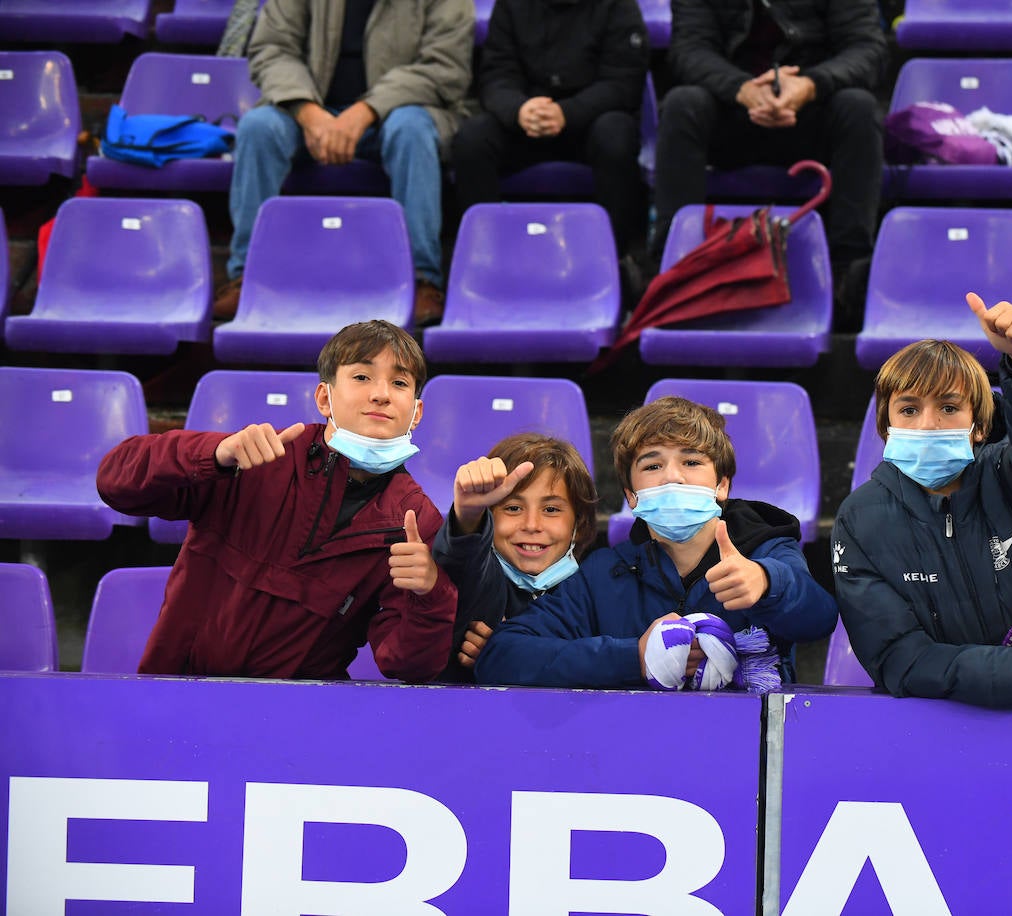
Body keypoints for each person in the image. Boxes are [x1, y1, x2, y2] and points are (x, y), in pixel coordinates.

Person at [96, 320, 458, 682]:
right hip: (179, 690)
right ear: (323, 398)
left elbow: (406, 665)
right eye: (362, 377)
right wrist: (212, 454)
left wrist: (430, 593)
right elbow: (116, 482)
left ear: (416, 412)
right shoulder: (253, 457)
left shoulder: (418, 524)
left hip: (301, 714)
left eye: (399, 382)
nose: (381, 394)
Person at [831, 293, 1012, 709]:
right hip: (939, 729)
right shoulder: (859, 519)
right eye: (908, 409)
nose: (927, 424)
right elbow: (898, 657)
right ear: (886, 426)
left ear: (979, 425)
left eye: (948, 406)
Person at [475, 395, 837, 688]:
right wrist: (635, 656)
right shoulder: (603, 574)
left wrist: (767, 582)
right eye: (652, 466)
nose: (673, 477)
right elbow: (503, 656)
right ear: (631, 496)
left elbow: (819, 619)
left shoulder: (766, 549)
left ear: (721, 485)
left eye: (692, 462)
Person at [213, 0, 476, 326]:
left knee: (411, 131)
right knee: (257, 128)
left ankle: (422, 278)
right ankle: (248, 275)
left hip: (400, 112)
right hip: (311, 112)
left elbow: (443, 67)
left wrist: (365, 111)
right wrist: (308, 112)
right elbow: (273, 50)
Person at [652, 0, 888, 326]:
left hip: (809, 108)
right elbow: (689, 50)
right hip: (732, 109)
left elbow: (867, 49)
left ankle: (847, 274)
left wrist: (810, 85)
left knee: (859, 108)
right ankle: (674, 266)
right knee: (682, 104)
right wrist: (741, 88)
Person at [450, 0, 650, 263]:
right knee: (472, 139)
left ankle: (615, 259)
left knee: (616, 136)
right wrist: (518, 110)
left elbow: (624, 83)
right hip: (526, 123)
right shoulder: (511, 5)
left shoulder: (618, 6)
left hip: (590, 121)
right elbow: (496, 75)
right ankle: (486, 259)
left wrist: (568, 113)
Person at [429, 433, 599, 681]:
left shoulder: (597, 591)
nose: (532, 525)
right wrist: (468, 517)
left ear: (579, 525)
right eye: (513, 508)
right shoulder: (477, 582)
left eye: (551, 509)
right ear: (487, 516)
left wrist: (506, 653)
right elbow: (461, 560)